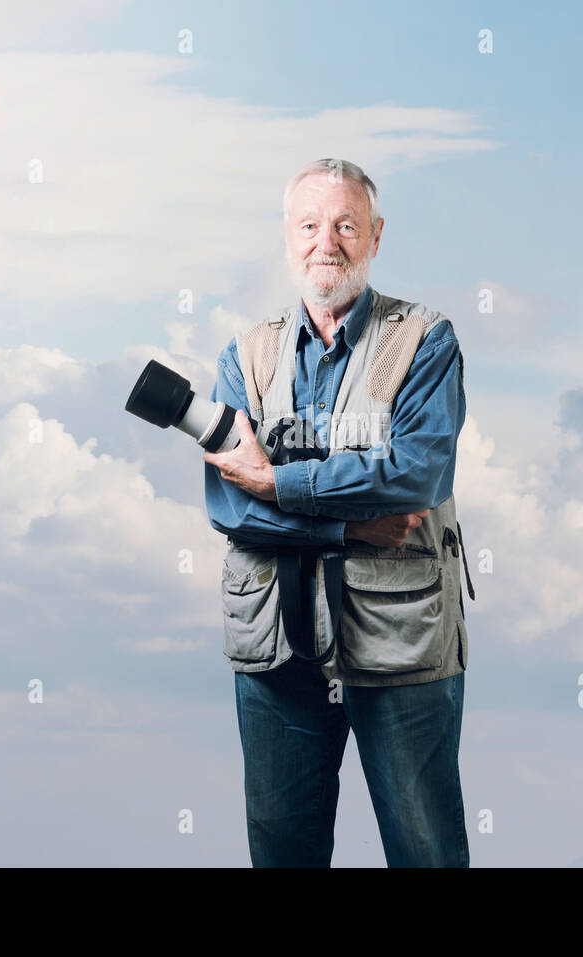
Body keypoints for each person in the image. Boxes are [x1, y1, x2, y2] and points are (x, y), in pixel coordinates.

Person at [203, 158, 473, 867]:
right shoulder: (245, 354)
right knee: (281, 853)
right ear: (287, 238)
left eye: (347, 225)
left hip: (399, 643)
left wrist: (279, 482)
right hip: (277, 649)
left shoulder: (426, 340)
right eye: (310, 225)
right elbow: (230, 501)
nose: (329, 241)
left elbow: (414, 474)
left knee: (427, 853)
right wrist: (347, 524)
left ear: (376, 236)